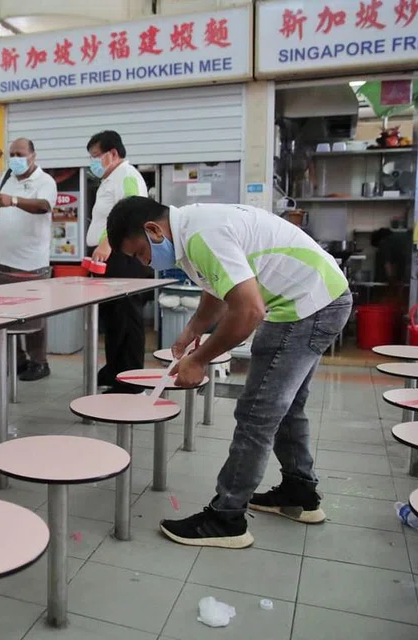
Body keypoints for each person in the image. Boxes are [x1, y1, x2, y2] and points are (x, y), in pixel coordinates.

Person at [107, 197, 352, 549]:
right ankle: (299, 492)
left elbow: (249, 310)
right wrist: (194, 329)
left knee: (257, 412)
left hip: (307, 306)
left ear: (153, 230)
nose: (145, 263)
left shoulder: (200, 235)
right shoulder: (190, 231)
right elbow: (219, 290)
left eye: (140, 254)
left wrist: (199, 359)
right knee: (287, 408)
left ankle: (227, 517)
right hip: (315, 298)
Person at [0, 137, 57, 382]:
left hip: (32, 263)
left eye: (20, 153)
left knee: (33, 317)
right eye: (12, 154)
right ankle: (18, 359)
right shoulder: (8, 180)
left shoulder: (45, 181)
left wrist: (13, 200)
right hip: (2, 260)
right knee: (4, 316)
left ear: (33, 155)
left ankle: (39, 362)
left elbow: (44, 206)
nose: (15, 158)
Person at [86, 131, 152, 393]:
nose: (92, 162)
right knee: (114, 318)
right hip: (111, 258)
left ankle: (132, 381)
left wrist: (108, 242)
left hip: (123, 257)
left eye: (94, 157)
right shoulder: (111, 178)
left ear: (112, 153)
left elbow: (133, 213)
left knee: (127, 317)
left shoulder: (126, 175)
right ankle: (115, 370)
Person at [371, 227, 412, 301]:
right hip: (413, 264)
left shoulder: (385, 242)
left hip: (409, 265)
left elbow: (388, 264)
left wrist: (391, 280)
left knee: (399, 292)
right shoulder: (400, 238)